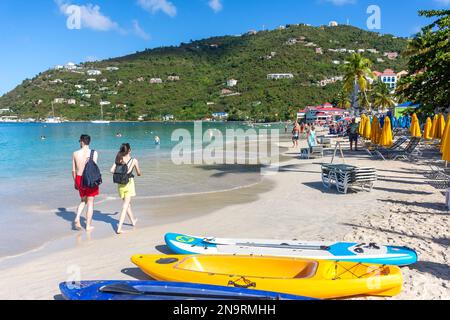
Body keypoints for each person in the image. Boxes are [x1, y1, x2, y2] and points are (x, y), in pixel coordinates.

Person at [110, 143, 142, 234]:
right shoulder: (134, 160)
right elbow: (139, 173)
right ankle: (119, 228)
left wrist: (120, 173)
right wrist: (135, 173)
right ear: (129, 150)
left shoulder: (119, 159)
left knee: (127, 204)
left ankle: (133, 221)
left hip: (120, 184)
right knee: (125, 206)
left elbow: (111, 170)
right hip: (128, 184)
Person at [72, 134, 99, 232]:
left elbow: (73, 170)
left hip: (79, 178)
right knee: (90, 202)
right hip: (90, 179)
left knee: (83, 200)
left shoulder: (75, 153)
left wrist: (75, 182)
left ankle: (77, 217)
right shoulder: (94, 153)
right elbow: (94, 168)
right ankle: (88, 226)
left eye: (79, 141)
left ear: (82, 142)